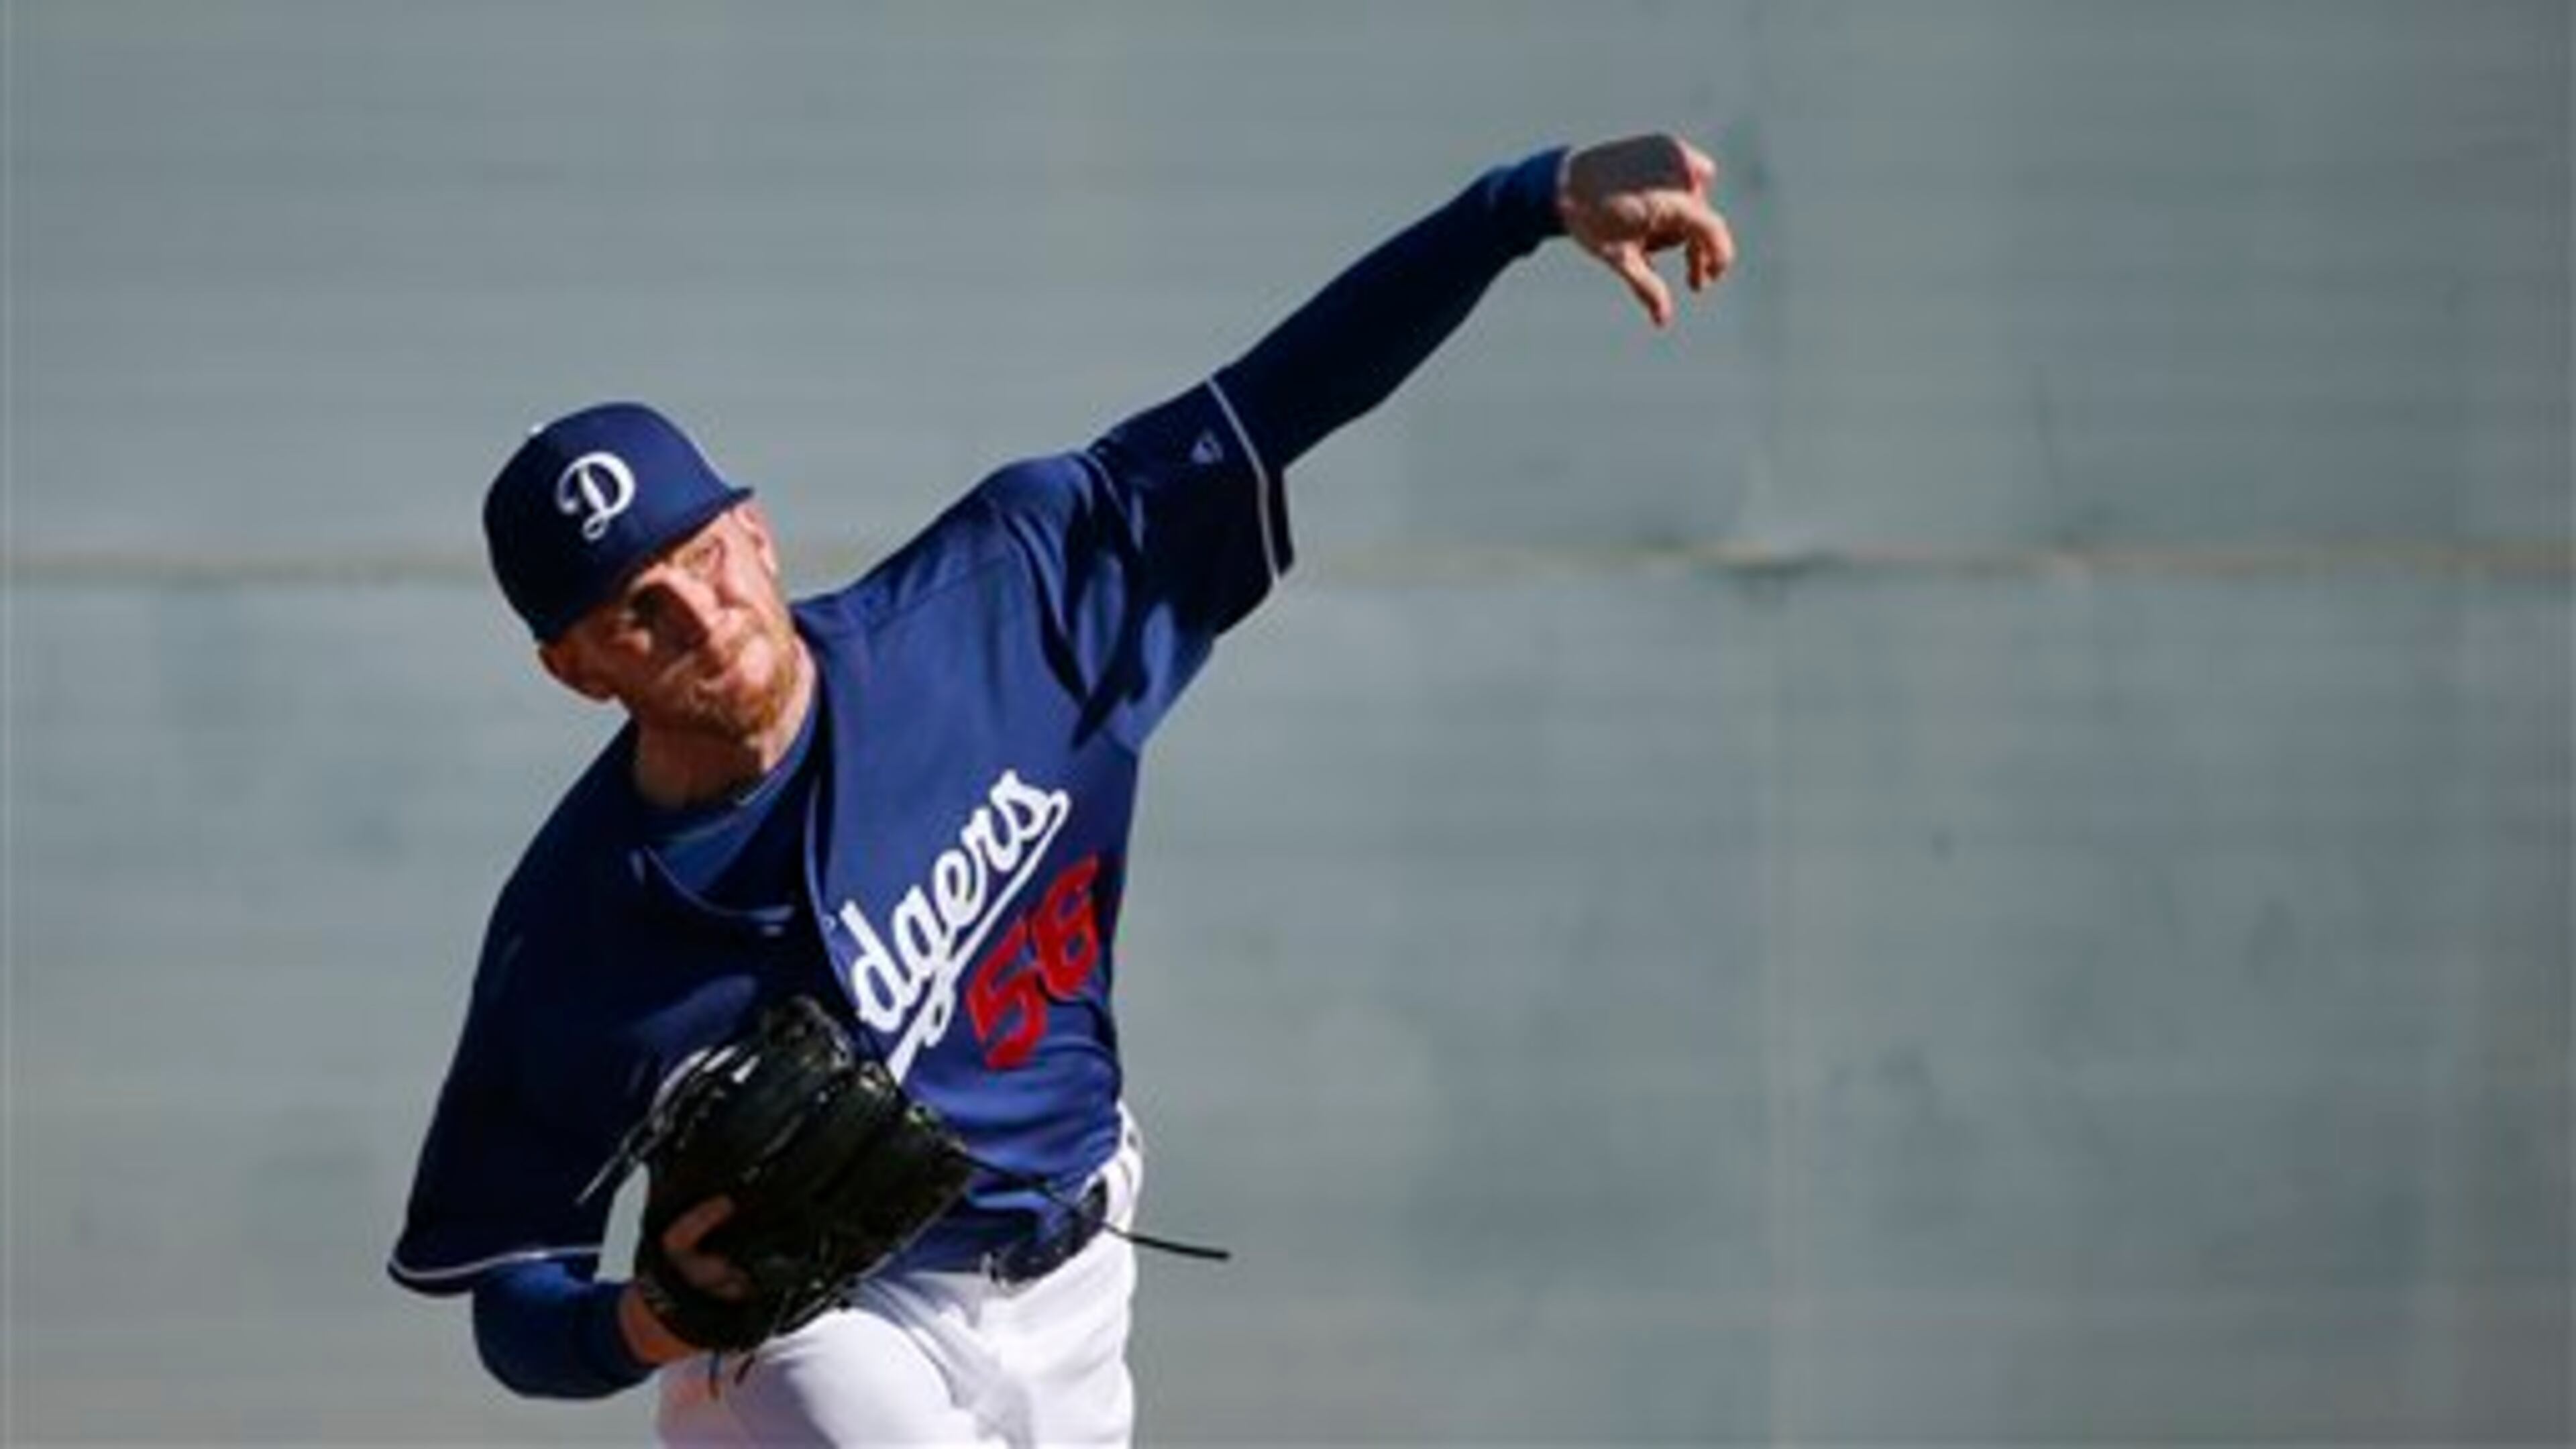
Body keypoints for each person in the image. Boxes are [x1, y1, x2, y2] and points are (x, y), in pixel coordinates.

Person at [388, 131, 1734, 1446]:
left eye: (699, 549)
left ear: (756, 527)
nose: (695, 606)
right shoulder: (575, 927)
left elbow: (1276, 401)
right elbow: (510, 1298)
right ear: (575, 669)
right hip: (821, 1338)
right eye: (635, 605)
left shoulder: (1010, 598)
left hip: (1082, 1274)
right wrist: (650, 1323)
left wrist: (1523, 205)